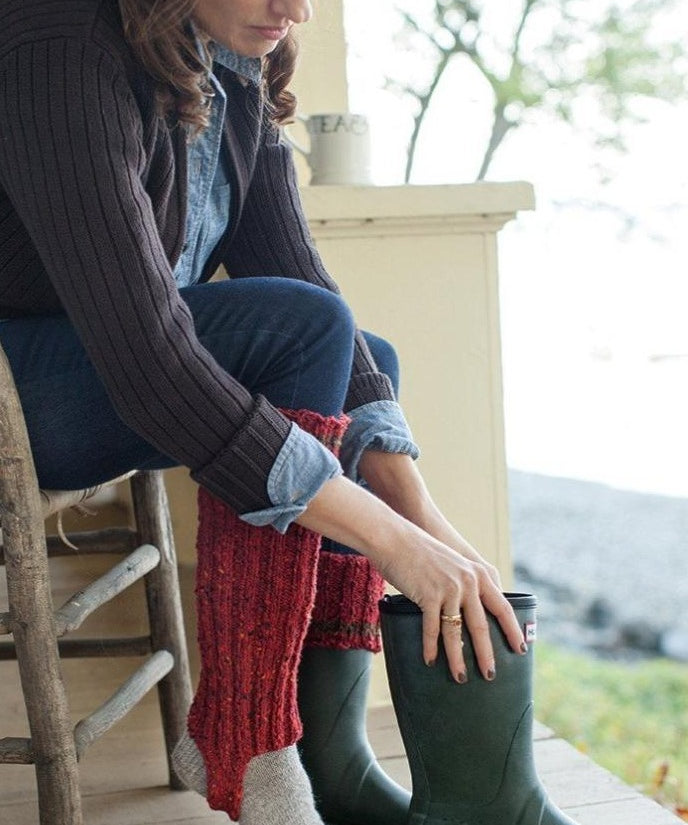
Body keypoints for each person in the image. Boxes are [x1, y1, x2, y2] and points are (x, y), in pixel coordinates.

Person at [0, 1, 529, 823]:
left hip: (100, 362)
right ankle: (249, 735)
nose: (297, 8)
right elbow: (149, 364)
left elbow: (305, 284)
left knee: (360, 354)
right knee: (300, 334)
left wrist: (430, 526)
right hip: (15, 385)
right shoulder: (61, 46)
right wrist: (391, 543)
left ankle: (323, 748)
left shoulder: (228, 59)